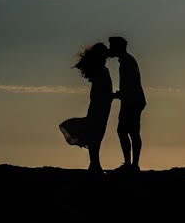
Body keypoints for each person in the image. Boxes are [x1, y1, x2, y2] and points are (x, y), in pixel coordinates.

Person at [59, 42, 113, 173]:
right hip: (100, 106)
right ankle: (95, 165)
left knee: (95, 135)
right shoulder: (101, 71)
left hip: (99, 105)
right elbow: (103, 91)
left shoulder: (98, 70)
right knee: (96, 135)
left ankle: (94, 164)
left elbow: (102, 91)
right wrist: (114, 96)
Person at [109, 36, 146, 172]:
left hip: (132, 101)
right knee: (129, 132)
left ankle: (131, 165)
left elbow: (130, 85)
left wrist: (116, 95)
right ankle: (131, 164)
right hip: (132, 101)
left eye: (112, 46)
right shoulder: (127, 61)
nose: (110, 49)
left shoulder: (127, 62)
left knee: (127, 132)